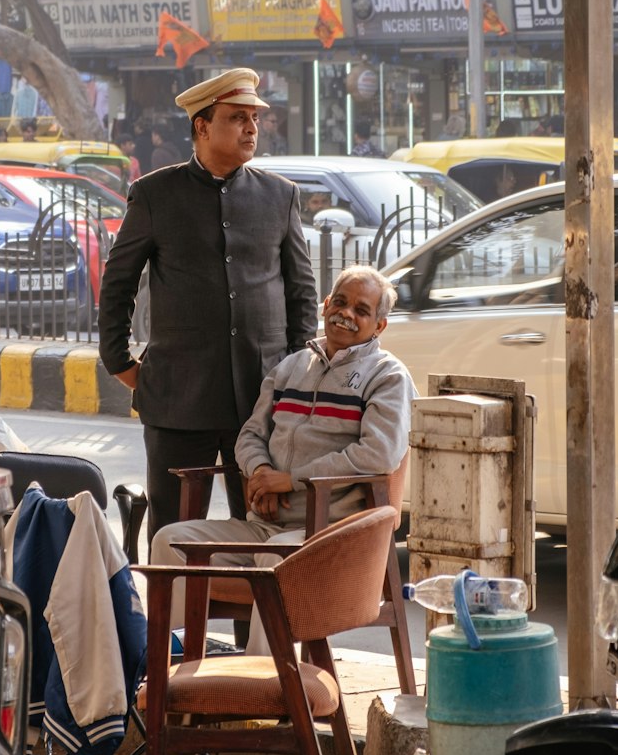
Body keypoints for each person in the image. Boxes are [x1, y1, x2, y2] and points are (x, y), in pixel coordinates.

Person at [98, 66, 317, 542]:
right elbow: (118, 283)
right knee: (174, 536)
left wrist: (296, 375)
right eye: (238, 118)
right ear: (202, 126)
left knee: (264, 533)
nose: (252, 128)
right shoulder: (156, 194)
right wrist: (120, 362)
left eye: (255, 118)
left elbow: (302, 293)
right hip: (178, 401)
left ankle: (251, 621)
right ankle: (169, 620)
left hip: (261, 404)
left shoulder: (279, 196)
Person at [149, 265, 417, 648]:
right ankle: (172, 674)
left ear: (379, 326)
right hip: (263, 525)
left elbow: (378, 454)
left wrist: (290, 480)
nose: (347, 313)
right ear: (325, 306)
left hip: (323, 530)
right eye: (340, 302)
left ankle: (270, 688)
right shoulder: (291, 368)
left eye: (362, 309)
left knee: (275, 563)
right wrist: (260, 472)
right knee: (170, 542)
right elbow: (251, 434)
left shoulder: (387, 376)